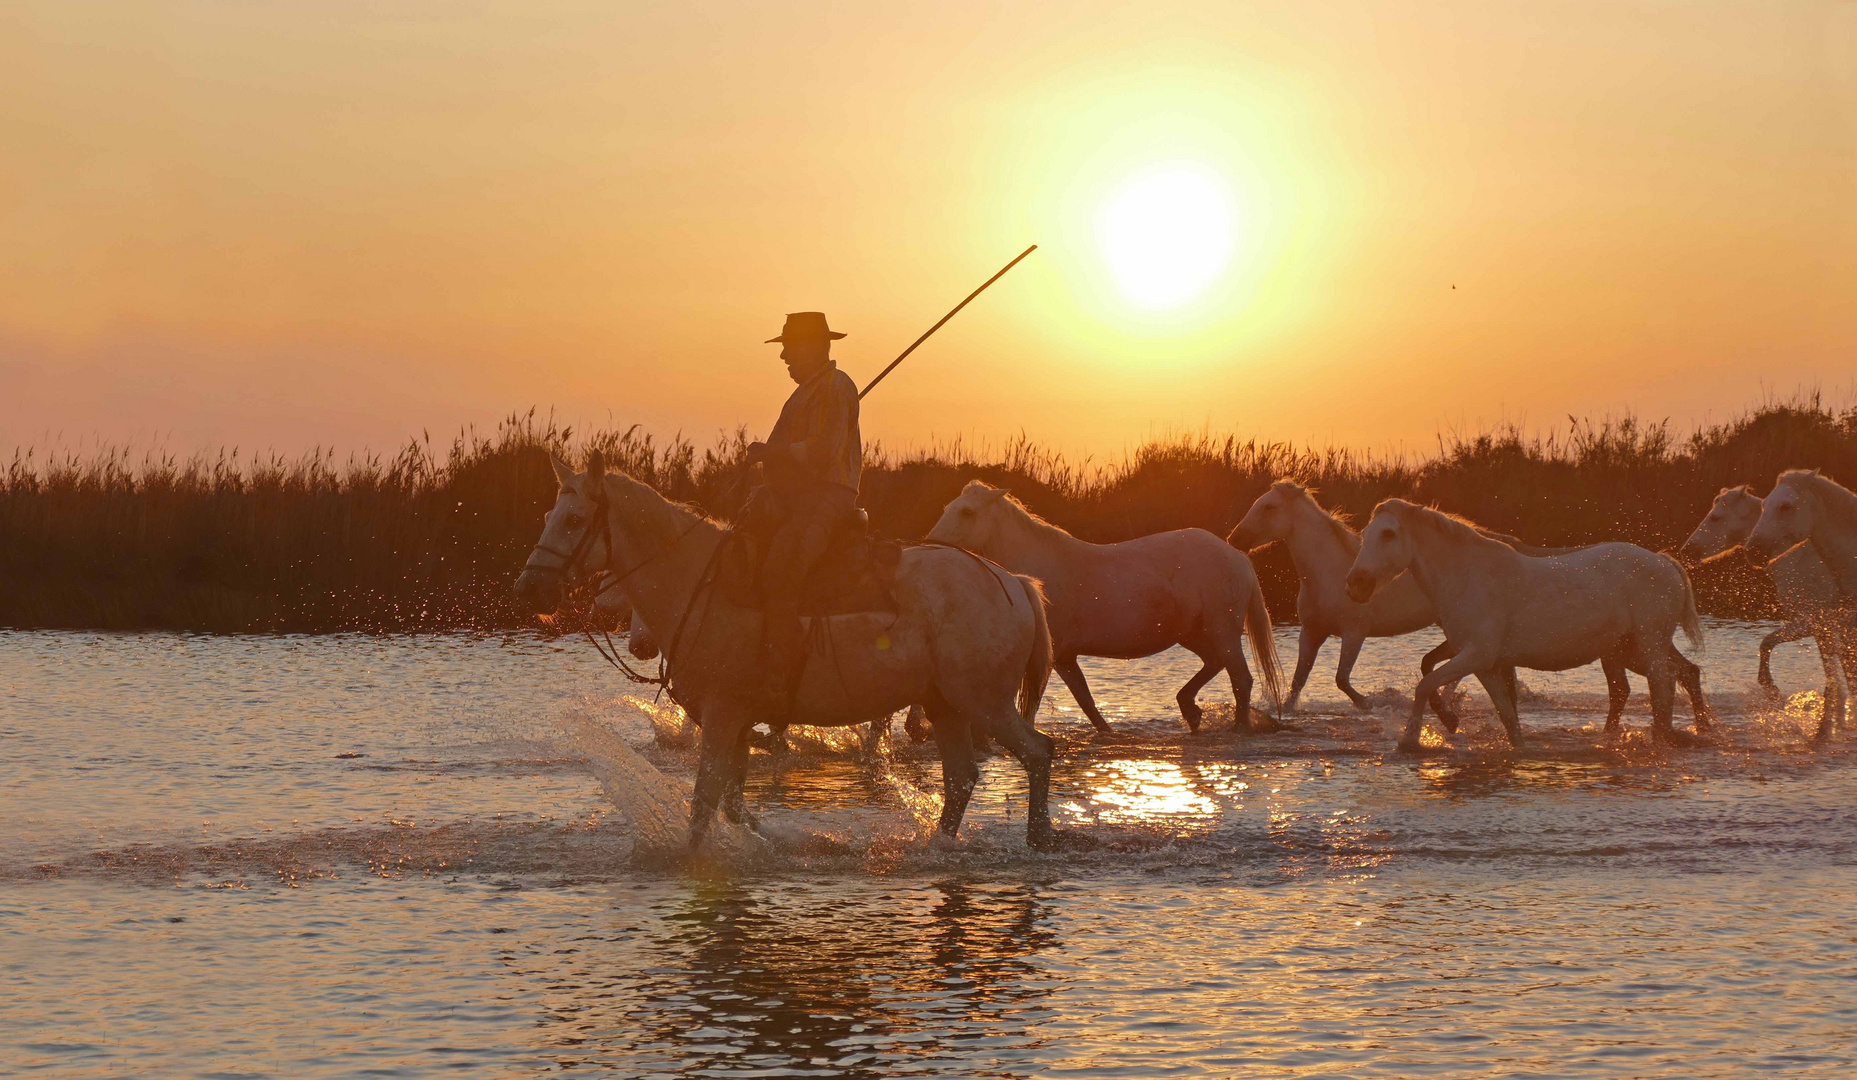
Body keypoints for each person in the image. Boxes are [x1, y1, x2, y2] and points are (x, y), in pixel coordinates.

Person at [744, 311, 863, 712]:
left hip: (827, 496)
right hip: (793, 497)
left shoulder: (835, 387)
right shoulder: (803, 393)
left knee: (783, 567)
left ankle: (779, 674)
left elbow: (822, 452)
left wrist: (771, 452)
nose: (784, 358)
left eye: (789, 348)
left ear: (813, 347)